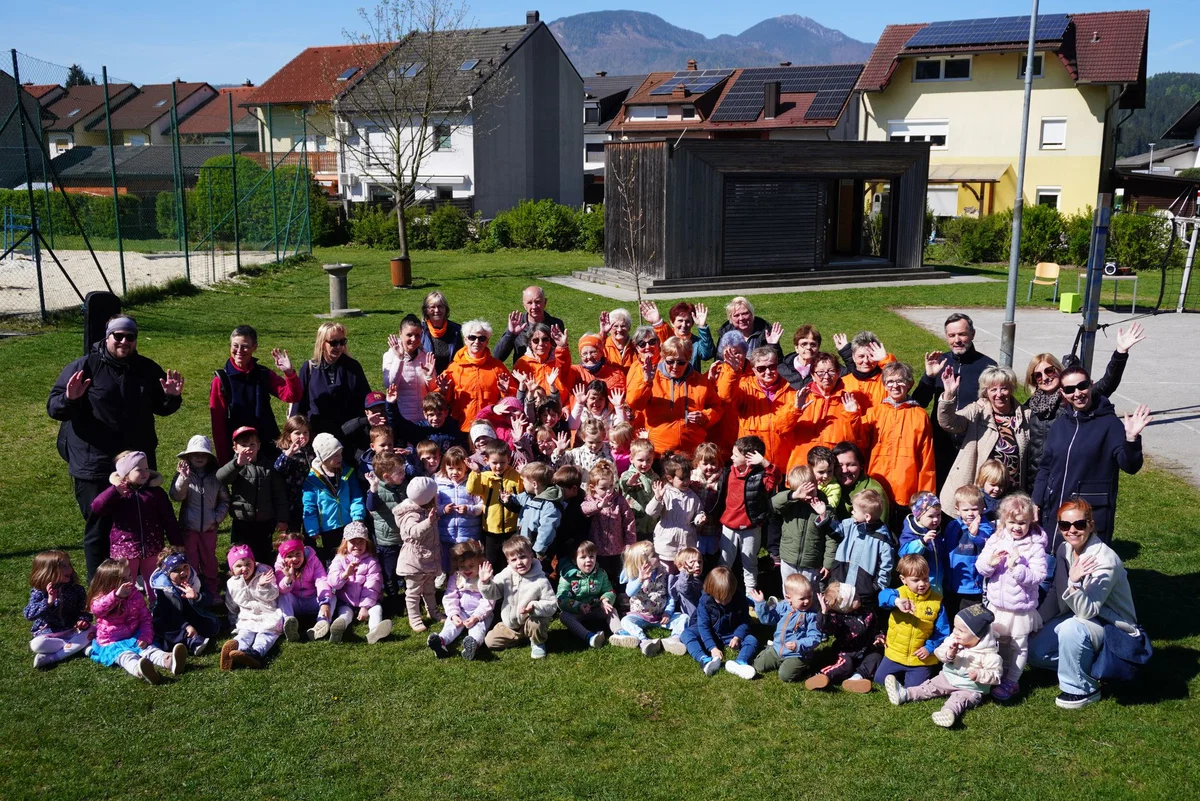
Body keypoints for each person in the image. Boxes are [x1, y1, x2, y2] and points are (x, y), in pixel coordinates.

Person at [48, 314, 183, 579]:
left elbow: (161, 407)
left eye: (129, 337)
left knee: (139, 522)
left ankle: (139, 583)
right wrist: (69, 398)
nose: (124, 341)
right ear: (107, 337)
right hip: (94, 463)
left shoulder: (146, 369)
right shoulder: (85, 366)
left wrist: (172, 398)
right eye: (117, 336)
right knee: (99, 527)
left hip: (136, 466)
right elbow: (54, 407)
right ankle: (99, 590)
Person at [1029, 498, 1140, 709]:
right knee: (1033, 650)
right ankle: (1091, 665)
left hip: (1111, 627)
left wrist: (1074, 581)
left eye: (1079, 524)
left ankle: (1082, 689)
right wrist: (1037, 621)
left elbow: (1087, 611)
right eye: (1065, 525)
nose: (1072, 530)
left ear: (1090, 524)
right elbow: (1056, 592)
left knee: (1073, 628)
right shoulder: (1064, 549)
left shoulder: (1105, 560)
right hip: (1080, 619)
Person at [1031, 364, 1150, 544]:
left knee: (1087, 566)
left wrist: (1131, 439)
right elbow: (1046, 467)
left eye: (1082, 386)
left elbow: (1130, 466)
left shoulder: (1109, 424)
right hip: (1056, 508)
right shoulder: (1061, 424)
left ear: (1091, 385)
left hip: (1088, 513)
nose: (1077, 393)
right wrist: (1036, 501)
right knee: (1054, 563)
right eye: (1070, 389)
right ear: (1063, 393)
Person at [1022, 323, 1144, 488]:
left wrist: (1120, 353)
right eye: (1038, 375)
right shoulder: (1029, 408)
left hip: (1067, 480)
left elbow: (1107, 383)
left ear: (1059, 370)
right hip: (1036, 482)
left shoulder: (1075, 399)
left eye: (1049, 371)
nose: (1045, 377)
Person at [912, 313, 997, 488]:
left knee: (968, 494)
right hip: (940, 442)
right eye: (952, 336)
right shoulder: (940, 362)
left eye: (962, 334)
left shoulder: (987, 366)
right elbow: (918, 403)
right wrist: (929, 377)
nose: (957, 340)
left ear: (972, 334)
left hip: (972, 442)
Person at [975, 493, 1047, 701]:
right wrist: (991, 562)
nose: (1017, 527)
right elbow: (980, 567)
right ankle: (999, 674)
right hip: (997, 605)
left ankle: (1012, 681)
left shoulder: (1035, 546)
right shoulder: (997, 538)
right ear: (1004, 521)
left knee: (1018, 645)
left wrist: (1018, 567)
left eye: (1022, 523)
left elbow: (1038, 576)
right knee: (999, 642)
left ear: (1030, 521)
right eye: (1012, 522)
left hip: (1020, 608)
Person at [884, 604, 1003, 728]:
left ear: (977, 636)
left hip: (969, 688)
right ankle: (904, 694)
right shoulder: (954, 640)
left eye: (961, 631)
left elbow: (996, 675)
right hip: (947, 678)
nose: (955, 632)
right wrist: (949, 654)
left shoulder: (989, 654)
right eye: (955, 627)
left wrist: (979, 674)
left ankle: (948, 712)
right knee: (929, 687)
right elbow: (939, 652)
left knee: (958, 700)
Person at [936, 365, 1029, 515]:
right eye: (993, 390)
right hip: (980, 495)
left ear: (1011, 388)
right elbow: (950, 422)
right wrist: (948, 395)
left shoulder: (1025, 415)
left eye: (1004, 388)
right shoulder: (978, 411)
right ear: (986, 392)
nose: (999, 394)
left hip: (1011, 496)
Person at [210, 325, 301, 465]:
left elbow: (292, 396)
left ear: (254, 347)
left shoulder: (263, 374)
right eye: (235, 346)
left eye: (245, 346)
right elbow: (218, 425)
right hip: (241, 451)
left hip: (268, 446)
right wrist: (225, 461)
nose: (239, 351)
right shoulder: (221, 380)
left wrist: (289, 373)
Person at [91, 450, 180, 593]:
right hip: (125, 548)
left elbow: (168, 518)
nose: (145, 473)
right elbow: (96, 507)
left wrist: (176, 541)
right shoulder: (118, 494)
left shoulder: (155, 493)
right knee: (125, 582)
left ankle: (156, 609)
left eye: (146, 469)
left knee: (155, 581)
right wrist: (114, 492)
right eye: (139, 470)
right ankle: (124, 610)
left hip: (153, 547)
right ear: (126, 473)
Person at [87, 558, 182, 684]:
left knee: (150, 649)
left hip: (134, 635)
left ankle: (168, 660)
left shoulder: (135, 595)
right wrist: (116, 596)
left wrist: (145, 636)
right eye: (124, 579)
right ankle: (140, 669)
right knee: (125, 656)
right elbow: (97, 609)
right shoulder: (102, 598)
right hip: (112, 641)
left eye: (130, 576)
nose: (130, 581)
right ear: (110, 583)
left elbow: (145, 617)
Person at [625, 336, 721, 457]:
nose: (675, 366)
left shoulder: (701, 381)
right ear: (663, 358)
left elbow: (717, 408)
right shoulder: (651, 377)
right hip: (659, 453)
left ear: (688, 360)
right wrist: (647, 382)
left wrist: (705, 416)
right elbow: (634, 403)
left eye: (681, 362)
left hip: (692, 453)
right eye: (670, 361)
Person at [863, 362, 935, 519]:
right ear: (884, 385)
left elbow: (927, 460)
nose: (894, 385)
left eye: (900, 381)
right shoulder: (874, 413)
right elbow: (858, 441)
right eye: (890, 381)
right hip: (877, 484)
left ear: (909, 384)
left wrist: (925, 499)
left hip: (906, 489)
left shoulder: (919, 415)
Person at [874, 554, 951, 688]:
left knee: (915, 688)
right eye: (916, 580)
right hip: (895, 654)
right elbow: (882, 596)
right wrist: (896, 601)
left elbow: (943, 632)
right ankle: (896, 678)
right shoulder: (897, 594)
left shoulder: (937, 602)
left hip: (920, 658)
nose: (922, 584)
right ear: (903, 579)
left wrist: (929, 648)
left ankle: (909, 679)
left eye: (925, 579)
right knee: (879, 680)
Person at [478, 535, 558, 659]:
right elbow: (494, 594)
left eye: (523, 557)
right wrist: (485, 583)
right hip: (511, 625)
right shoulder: (506, 574)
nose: (519, 562)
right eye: (514, 559)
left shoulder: (540, 580)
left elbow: (552, 605)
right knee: (490, 641)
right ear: (508, 562)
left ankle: (537, 642)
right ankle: (520, 639)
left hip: (529, 621)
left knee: (537, 623)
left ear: (531, 556)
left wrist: (534, 607)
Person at [169, 435, 229, 598]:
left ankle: (212, 589)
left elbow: (225, 500)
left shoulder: (216, 477)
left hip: (209, 527)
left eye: (203, 454)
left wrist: (216, 518)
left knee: (209, 559)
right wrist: (183, 479)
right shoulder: (184, 474)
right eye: (195, 454)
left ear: (209, 458)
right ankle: (191, 589)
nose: (199, 457)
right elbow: (176, 496)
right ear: (188, 456)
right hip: (189, 527)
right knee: (190, 560)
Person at [218, 426, 289, 565]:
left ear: (259, 446)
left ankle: (263, 578)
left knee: (263, 553)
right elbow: (221, 478)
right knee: (240, 552)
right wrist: (237, 464)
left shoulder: (269, 467)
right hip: (242, 520)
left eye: (252, 444)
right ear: (235, 448)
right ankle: (239, 579)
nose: (248, 448)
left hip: (265, 521)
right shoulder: (236, 466)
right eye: (243, 445)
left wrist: (282, 519)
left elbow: (279, 494)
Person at [786, 352, 866, 470]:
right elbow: (780, 429)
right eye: (821, 372)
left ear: (838, 373)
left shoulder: (848, 401)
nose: (826, 377)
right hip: (803, 469)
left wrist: (852, 415)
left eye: (831, 371)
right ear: (813, 375)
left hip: (834, 471)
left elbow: (858, 441)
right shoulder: (800, 398)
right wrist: (795, 410)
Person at [291, 322, 371, 439]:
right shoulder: (309, 368)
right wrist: (295, 433)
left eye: (342, 342)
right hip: (318, 435)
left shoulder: (353, 367)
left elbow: (366, 398)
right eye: (333, 343)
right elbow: (299, 404)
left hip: (350, 434)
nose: (339, 347)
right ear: (322, 344)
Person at [680, 566, 759, 679]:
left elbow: (745, 620)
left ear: (733, 590)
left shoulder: (740, 598)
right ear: (711, 592)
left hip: (730, 632)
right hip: (711, 631)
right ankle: (704, 659)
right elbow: (703, 626)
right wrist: (712, 648)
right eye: (720, 599)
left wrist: (737, 636)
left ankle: (740, 662)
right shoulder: (705, 601)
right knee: (686, 634)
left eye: (728, 598)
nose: (724, 602)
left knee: (752, 639)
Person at [807, 577, 883, 693]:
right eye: (854, 598)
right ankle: (823, 676)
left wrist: (879, 637)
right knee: (845, 665)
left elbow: (876, 629)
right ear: (844, 606)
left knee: (876, 656)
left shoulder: (868, 612)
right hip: (845, 652)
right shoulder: (837, 619)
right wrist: (824, 613)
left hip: (865, 650)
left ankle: (856, 678)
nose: (858, 596)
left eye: (856, 594)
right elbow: (824, 628)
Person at [441, 319, 514, 436]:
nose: (477, 341)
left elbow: (512, 399)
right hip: (461, 428)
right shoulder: (454, 367)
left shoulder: (498, 367)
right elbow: (443, 401)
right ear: (465, 339)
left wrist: (505, 392)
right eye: (472, 337)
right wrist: (444, 391)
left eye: (482, 338)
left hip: (490, 428)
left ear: (487, 342)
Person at [303, 433, 367, 562]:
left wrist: (357, 516)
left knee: (351, 555)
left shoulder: (347, 472)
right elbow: (309, 505)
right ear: (324, 458)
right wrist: (312, 528)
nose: (340, 458)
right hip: (328, 526)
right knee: (333, 558)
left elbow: (356, 496)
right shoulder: (312, 480)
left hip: (349, 523)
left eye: (340, 454)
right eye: (335, 455)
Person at [748, 574, 824, 682]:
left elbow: (815, 637)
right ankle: (770, 651)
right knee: (758, 665)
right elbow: (767, 620)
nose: (807, 601)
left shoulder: (812, 615)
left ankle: (806, 666)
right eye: (802, 598)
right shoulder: (782, 607)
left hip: (798, 653)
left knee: (785, 676)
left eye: (809, 597)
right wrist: (760, 604)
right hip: (778, 648)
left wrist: (798, 645)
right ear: (789, 598)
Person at [326, 522, 391, 644]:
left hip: (368, 600)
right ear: (345, 543)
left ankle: (374, 631)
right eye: (353, 542)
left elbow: (373, 585)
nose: (357, 545)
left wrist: (365, 606)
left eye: (361, 541)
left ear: (367, 543)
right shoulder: (339, 559)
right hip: (346, 600)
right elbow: (333, 582)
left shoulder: (371, 561)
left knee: (376, 609)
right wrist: (345, 574)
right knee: (345, 613)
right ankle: (339, 628)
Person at [25, 550, 91, 669]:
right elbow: (29, 614)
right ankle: (76, 647)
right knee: (36, 645)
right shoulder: (39, 592)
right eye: (64, 566)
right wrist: (49, 602)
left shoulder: (76, 590)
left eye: (69, 565)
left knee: (93, 630)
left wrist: (83, 620)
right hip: (49, 634)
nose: (69, 569)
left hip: (72, 630)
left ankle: (52, 657)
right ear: (49, 571)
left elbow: (83, 610)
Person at [221, 544, 283, 669]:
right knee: (245, 633)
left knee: (265, 636)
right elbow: (231, 603)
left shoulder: (265, 573)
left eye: (248, 564)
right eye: (239, 566)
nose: (244, 568)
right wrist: (233, 620)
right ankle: (236, 650)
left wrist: (262, 586)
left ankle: (255, 654)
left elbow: (273, 595)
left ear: (254, 563)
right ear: (232, 569)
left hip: (268, 613)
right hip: (247, 616)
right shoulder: (232, 583)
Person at [429, 540, 494, 660]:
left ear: (479, 563)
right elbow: (450, 596)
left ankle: (473, 644)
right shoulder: (456, 577)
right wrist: (453, 614)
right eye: (462, 566)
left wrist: (476, 617)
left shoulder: (484, 578)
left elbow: (488, 601)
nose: (467, 570)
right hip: (461, 611)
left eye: (471, 566)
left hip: (480, 614)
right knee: (451, 625)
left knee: (478, 628)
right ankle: (441, 641)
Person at [773, 465, 836, 587]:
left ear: (816, 484)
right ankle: (788, 606)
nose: (807, 496)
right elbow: (773, 504)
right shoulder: (790, 504)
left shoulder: (824, 507)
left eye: (811, 491)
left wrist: (828, 563)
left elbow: (831, 537)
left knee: (809, 592)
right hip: (788, 559)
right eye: (802, 492)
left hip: (811, 563)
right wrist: (793, 497)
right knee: (789, 591)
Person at [150, 548, 220, 657]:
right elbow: (168, 613)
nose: (182, 572)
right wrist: (186, 626)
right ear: (167, 573)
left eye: (185, 567)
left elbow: (209, 599)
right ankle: (191, 641)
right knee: (162, 628)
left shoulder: (195, 580)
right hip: (171, 619)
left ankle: (186, 640)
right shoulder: (163, 590)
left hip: (191, 615)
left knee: (211, 626)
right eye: (176, 570)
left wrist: (197, 596)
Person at [395, 477, 443, 633]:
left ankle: (432, 611)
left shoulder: (423, 510)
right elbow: (414, 532)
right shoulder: (411, 515)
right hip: (413, 561)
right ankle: (414, 618)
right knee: (413, 592)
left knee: (429, 588)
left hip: (426, 558)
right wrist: (428, 522)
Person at [939, 485, 996, 614]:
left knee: (972, 618)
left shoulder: (985, 527)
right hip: (952, 584)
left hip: (972, 587)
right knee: (952, 616)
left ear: (982, 509)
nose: (970, 513)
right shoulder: (953, 525)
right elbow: (945, 547)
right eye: (966, 510)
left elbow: (984, 542)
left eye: (974, 509)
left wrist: (974, 535)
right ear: (957, 510)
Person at [467, 440, 523, 572]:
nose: (499, 466)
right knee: (492, 561)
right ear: (486, 460)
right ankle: (494, 588)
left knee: (511, 560)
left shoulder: (516, 476)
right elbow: (473, 489)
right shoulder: (484, 476)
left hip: (511, 528)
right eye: (495, 463)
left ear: (508, 460)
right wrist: (475, 473)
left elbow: (523, 494)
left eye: (503, 462)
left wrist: (524, 473)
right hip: (491, 529)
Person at [581, 460, 637, 587]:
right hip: (597, 549)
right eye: (603, 488)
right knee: (600, 575)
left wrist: (630, 543)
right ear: (592, 488)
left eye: (611, 486)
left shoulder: (619, 500)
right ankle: (601, 597)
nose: (608, 491)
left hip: (617, 548)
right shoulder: (590, 499)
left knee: (619, 574)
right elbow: (584, 510)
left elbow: (629, 522)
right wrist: (599, 505)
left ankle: (621, 596)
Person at [610, 541, 671, 657]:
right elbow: (629, 592)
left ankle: (674, 640)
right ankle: (644, 640)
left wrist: (668, 612)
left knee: (684, 618)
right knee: (625, 621)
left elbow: (670, 595)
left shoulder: (664, 572)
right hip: (640, 616)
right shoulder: (635, 576)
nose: (658, 557)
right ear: (644, 562)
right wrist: (640, 580)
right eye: (654, 555)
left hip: (661, 616)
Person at [556, 540, 618, 649]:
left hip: (596, 608)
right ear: (574, 561)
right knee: (564, 616)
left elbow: (609, 590)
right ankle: (589, 636)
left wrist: (605, 601)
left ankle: (620, 632)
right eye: (583, 557)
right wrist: (578, 606)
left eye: (591, 556)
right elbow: (561, 598)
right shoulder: (567, 577)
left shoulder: (601, 573)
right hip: (577, 611)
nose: (588, 560)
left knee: (612, 610)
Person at [646, 454, 704, 567]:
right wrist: (657, 498)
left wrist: (699, 518)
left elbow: (698, 512)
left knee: (684, 572)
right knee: (667, 572)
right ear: (670, 478)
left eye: (688, 478)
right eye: (682, 479)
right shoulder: (665, 493)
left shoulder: (692, 496)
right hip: (667, 543)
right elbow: (651, 512)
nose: (686, 482)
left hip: (687, 542)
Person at [831, 488, 894, 592]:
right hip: (840, 585)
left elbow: (886, 566)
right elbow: (836, 531)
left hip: (863, 592)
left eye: (854, 511)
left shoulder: (881, 538)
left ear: (867, 516)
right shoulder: (851, 524)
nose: (852, 512)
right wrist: (824, 516)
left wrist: (876, 587)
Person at [274, 534, 333, 642]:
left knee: (331, 597)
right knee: (282, 596)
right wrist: (288, 577)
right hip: (294, 601)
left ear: (303, 552)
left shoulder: (313, 560)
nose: (295, 558)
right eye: (290, 556)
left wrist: (324, 602)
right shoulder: (280, 565)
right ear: (284, 557)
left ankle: (322, 622)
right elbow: (282, 589)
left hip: (312, 599)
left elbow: (321, 580)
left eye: (298, 554)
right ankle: (289, 622)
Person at [365, 452, 407, 597]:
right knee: (389, 571)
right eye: (399, 472)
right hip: (387, 540)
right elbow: (371, 506)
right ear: (387, 477)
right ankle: (393, 596)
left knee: (406, 567)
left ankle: (409, 594)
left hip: (403, 536)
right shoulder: (377, 490)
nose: (403, 474)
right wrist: (373, 489)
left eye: (403, 470)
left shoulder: (402, 486)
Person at [493, 286, 566, 365]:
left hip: (549, 374)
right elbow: (497, 357)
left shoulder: (555, 325)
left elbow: (563, 356)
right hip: (523, 374)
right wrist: (511, 334)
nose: (534, 307)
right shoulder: (517, 325)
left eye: (537, 302)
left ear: (545, 302)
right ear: (524, 305)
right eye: (530, 303)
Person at [382, 314, 435, 423]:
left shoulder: (425, 356)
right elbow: (390, 385)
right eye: (409, 335)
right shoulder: (390, 355)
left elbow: (433, 390)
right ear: (400, 333)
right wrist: (400, 359)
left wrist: (429, 376)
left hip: (423, 420)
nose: (413, 339)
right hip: (401, 419)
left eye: (417, 335)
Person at [640, 300, 716, 371]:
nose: (684, 325)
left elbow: (707, 355)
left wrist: (702, 327)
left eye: (688, 321)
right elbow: (663, 333)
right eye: (680, 321)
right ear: (672, 322)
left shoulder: (696, 342)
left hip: (690, 382)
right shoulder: (666, 338)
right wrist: (657, 322)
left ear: (692, 323)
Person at [836, 331, 895, 411]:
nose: (866, 361)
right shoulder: (842, 383)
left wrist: (885, 360)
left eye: (871, 356)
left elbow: (904, 381)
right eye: (861, 356)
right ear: (853, 357)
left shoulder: (886, 381)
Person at [831, 442, 889, 523]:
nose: (844, 470)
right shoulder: (827, 486)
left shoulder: (875, 493)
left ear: (861, 465)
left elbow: (878, 531)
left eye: (851, 465)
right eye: (839, 466)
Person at [274, 415, 314, 531]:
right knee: (293, 531)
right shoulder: (285, 453)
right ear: (288, 436)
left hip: (310, 499)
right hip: (291, 501)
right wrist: (289, 453)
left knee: (310, 532)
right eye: (297, 433)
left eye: (305, 432)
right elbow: (277, 469)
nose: (302, 436)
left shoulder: (312, 451)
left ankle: (310, 548)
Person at [714, 297, 783, 357]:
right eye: (736, 315)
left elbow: (777, 364)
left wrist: (773, 345)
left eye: (745, 313)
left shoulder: (765, 332)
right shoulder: (725, 334)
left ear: (752, 314)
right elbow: (720, 360)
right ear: (731, 318)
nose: (741, 318)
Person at [620, 439, 659, 541]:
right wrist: (629, 483)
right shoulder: (629, 474)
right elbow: (623, 483)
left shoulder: (655, 476)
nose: (645, 464)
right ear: (631, 459)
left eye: (648, 460)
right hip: (634, 522)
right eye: (640, 460)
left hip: (651, 522)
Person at [420, 291, 463, 374]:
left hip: (450, 377)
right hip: (425, 377)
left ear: (445, 309)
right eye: (432, 307)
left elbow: (459, 357)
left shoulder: (455, 331)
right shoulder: (420, 330)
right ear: (426, 310)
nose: (437, 310)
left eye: (440, 306)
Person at [779, 324, 823, 390]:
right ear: (796, 348)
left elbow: (843, 373)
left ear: (818, 347)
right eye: (804, 344)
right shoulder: (782, 368)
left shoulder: (826, 367)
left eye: (813, 344)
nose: (808, 347)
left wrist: (844, 351)